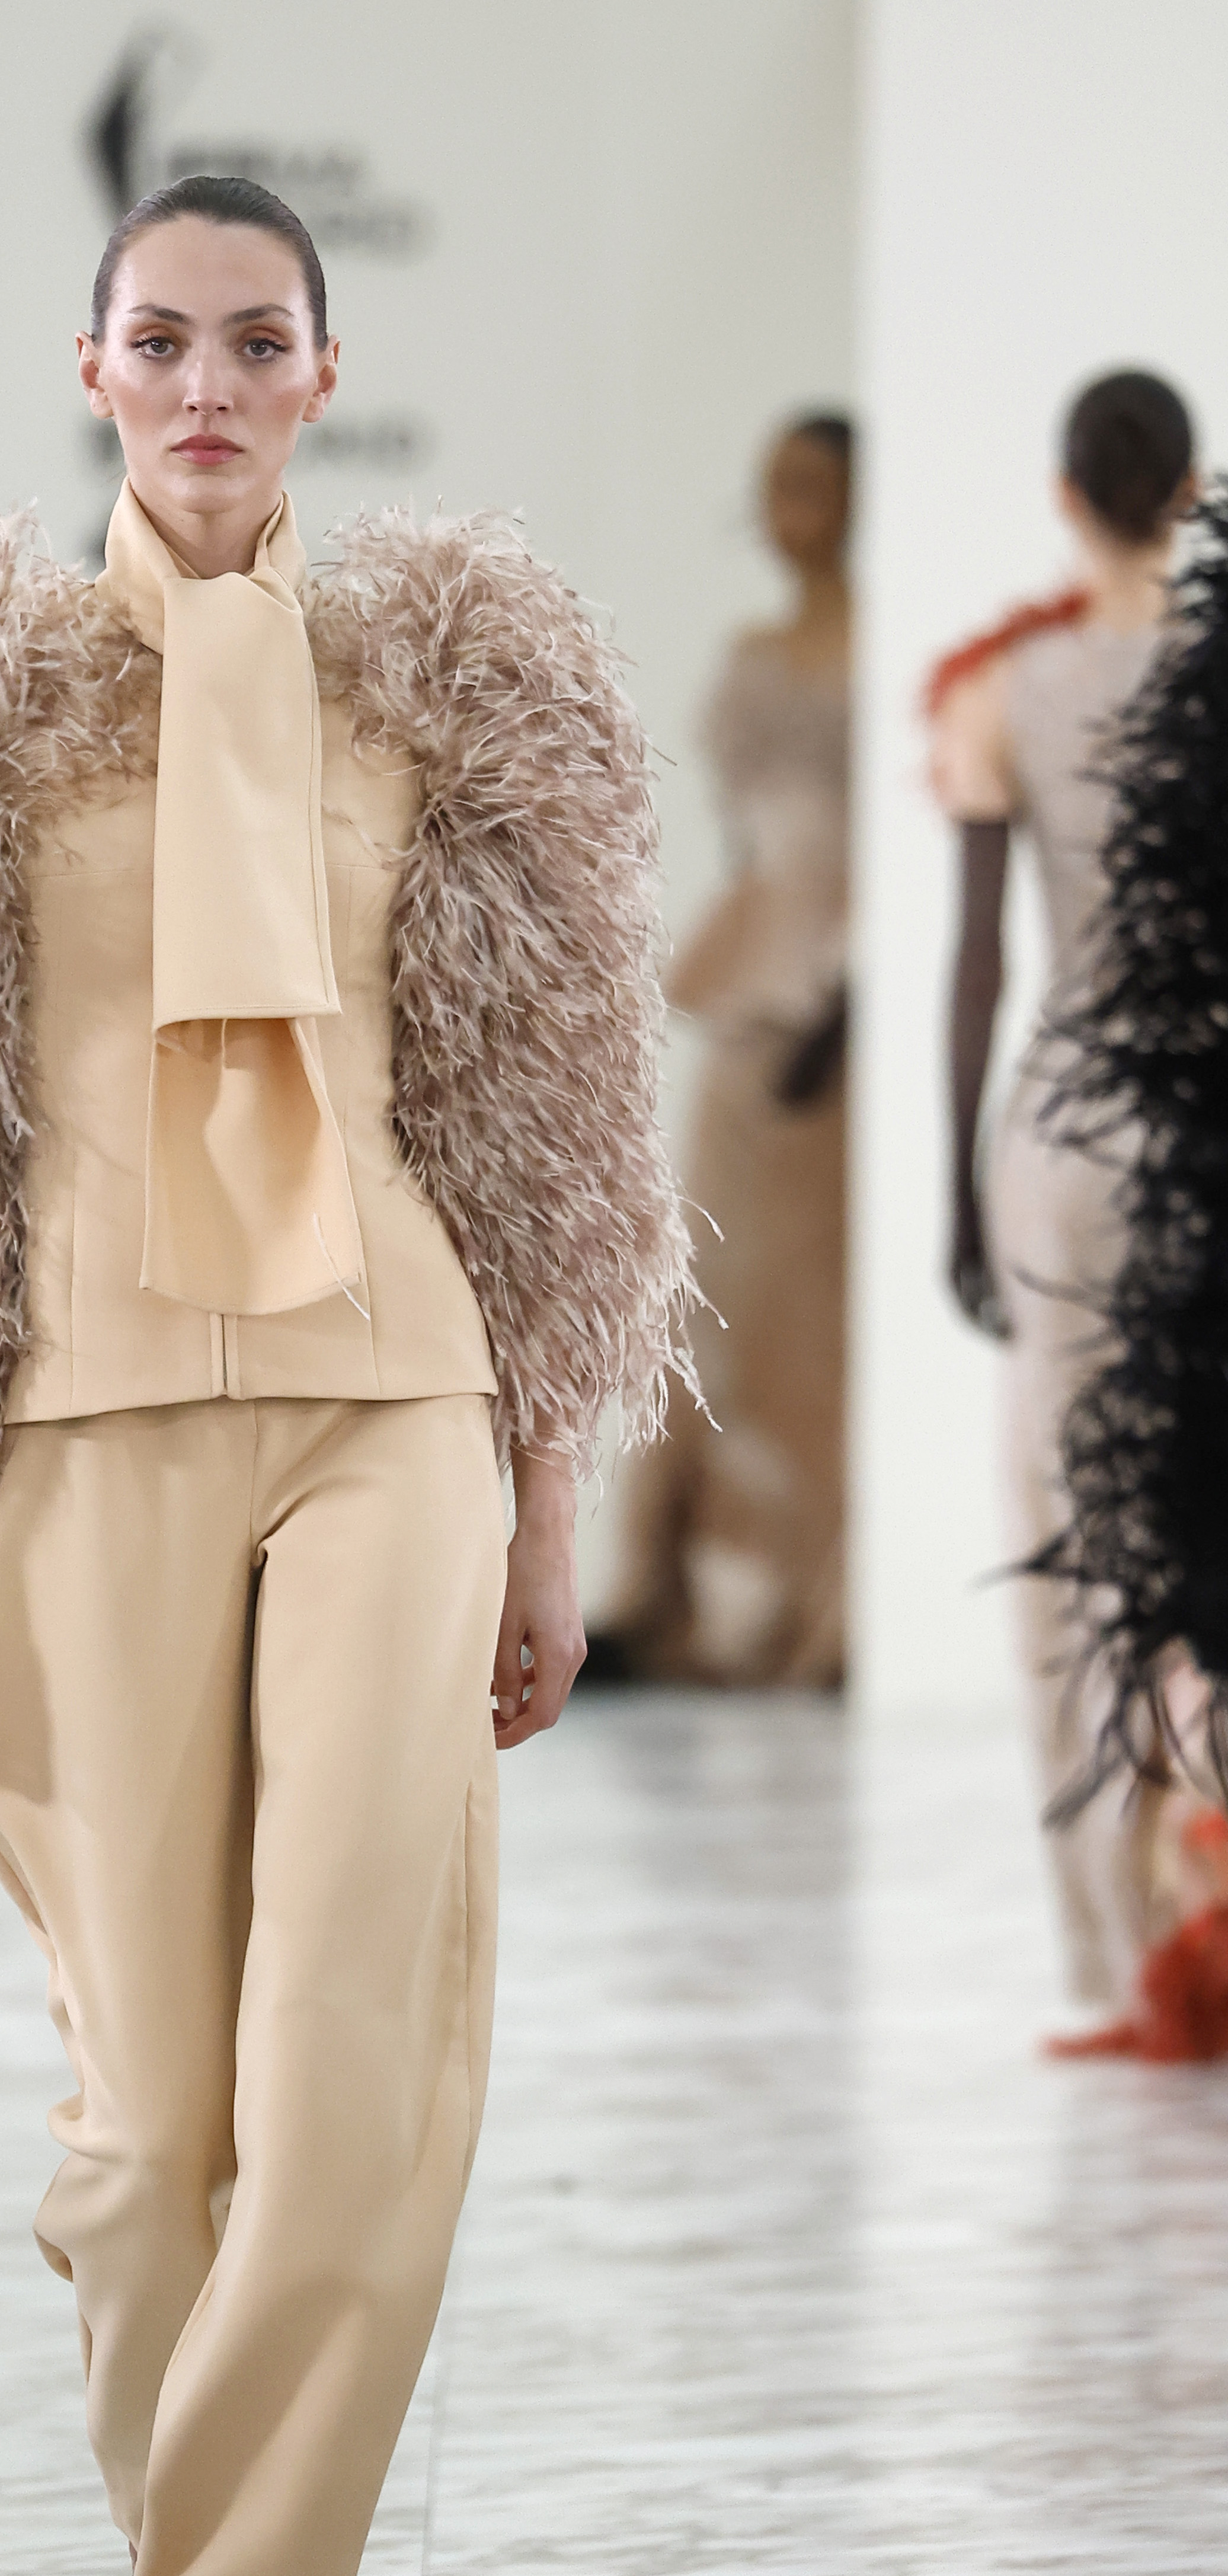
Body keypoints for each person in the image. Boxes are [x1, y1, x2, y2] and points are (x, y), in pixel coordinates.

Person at [0, 175, 691, 2576]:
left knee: (350, 2067)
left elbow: (539, 1118)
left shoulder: (435, 691)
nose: (210, 385)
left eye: (259, 341)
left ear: (326, 375)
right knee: (149, 2139)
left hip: (394, 1400)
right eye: (164, 341)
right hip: (89, 1416)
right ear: (92, 369)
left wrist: (552, 1499)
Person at [931, 369, 1199, 2012]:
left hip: (1069, 1133)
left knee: (1070, 1524)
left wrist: (960, 1190)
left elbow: (978, 960)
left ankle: (1117, 1949)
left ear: (1064, 495)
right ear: (1193, 489)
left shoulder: (1001, 693)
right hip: (1211, 1118)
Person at [589, 414, 852, 1688]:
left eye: (814, 482)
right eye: (777, 483)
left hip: (847, 1005)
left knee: (813, 1318)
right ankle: (668, 1587)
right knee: (703, 1287)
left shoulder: (890, 640)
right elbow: (748, 836)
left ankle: (817, 1605)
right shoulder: (754, 653)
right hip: (755, 988)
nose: (790, 506)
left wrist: (848, 990)